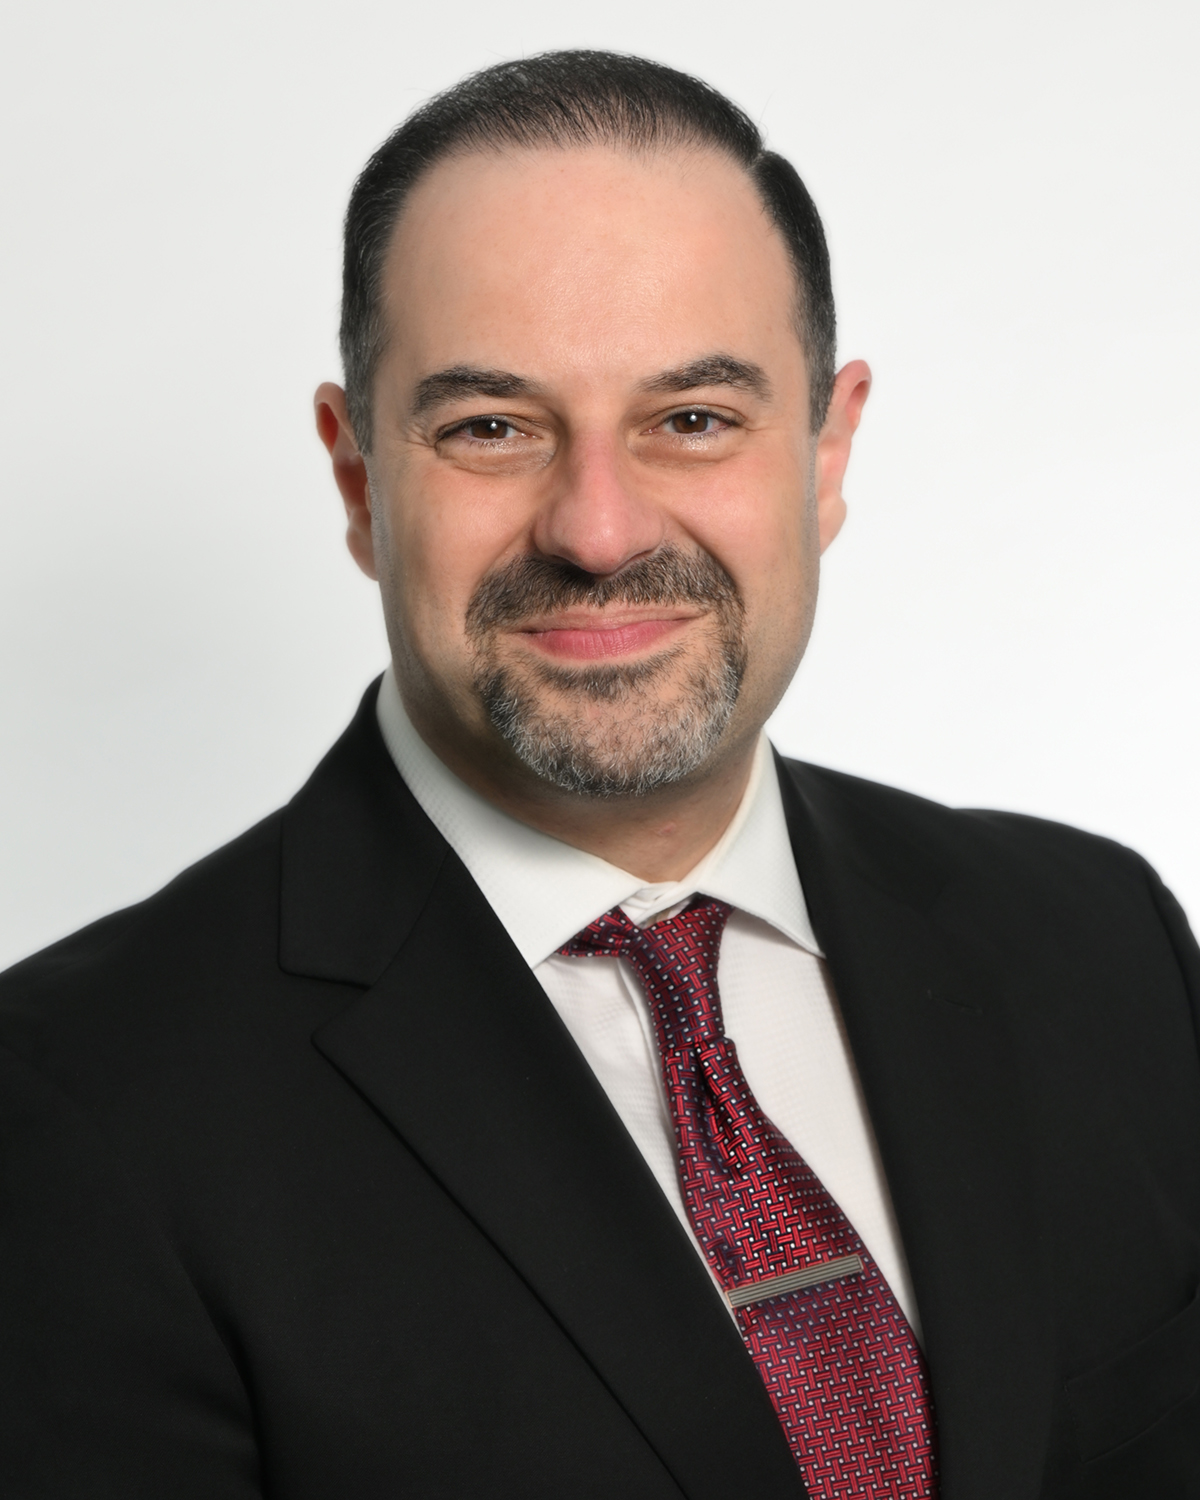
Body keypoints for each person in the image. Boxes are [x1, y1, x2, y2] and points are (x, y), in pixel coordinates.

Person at [1, 48, 1197, 1500]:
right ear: (358, 477)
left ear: (825, 455)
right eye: (490, 429)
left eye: (693, 418)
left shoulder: (1104, 943)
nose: (599, 530)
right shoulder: (73, 1107)